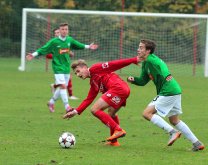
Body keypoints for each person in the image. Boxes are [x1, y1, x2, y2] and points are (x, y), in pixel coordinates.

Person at [127, 39, 205, 151]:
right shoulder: (146, 64)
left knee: (146, 113)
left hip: (168, 91)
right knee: (174, 120)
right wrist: (133, 80)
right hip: (174, 91)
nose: (138, 49)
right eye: (138, 47)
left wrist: (166, 75)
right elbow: (143, 81)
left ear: (148, 50)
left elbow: (162, 67)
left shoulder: (151, 60)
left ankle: (173, 132)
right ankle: (197, 143)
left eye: (141, 47)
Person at [63, 56, 141, 146]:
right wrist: (75, 111)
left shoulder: (95, 68)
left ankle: (118, 130)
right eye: (75, 73)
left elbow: (114, 64)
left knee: (94, 109)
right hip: (123, 90)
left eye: (78, 71)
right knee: (111, 113)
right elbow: (88, 99)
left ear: (84, 67)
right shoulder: (93, 82)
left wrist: (133, 60)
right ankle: (114, 142)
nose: (77, 75)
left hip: (118, 88)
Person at [26, 23, 98, 113]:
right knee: (63, 86)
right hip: (57, 67)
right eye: (63, 29)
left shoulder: (69, 40)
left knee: (62, 87)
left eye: (66, 29)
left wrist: (88, 46)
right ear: (59, 31)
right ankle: (67, 107)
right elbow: (43, 49)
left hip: (66, 67)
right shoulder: (54, 42)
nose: (64, 31)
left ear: (68, 30)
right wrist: (33, 55)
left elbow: (78, 45)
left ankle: (51, 102)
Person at [46, 28, 79, 100]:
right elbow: (47, 55)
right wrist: (56, 56)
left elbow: (67, 52)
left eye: (58, 32)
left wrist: (70, 54)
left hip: (65, 64)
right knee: (66, 80)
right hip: (57, 66)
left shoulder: (65, 42)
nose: (57, 34)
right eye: (56, 33)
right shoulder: (52, 43)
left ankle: (55, 87)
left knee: (66, 80)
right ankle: (69, 96)